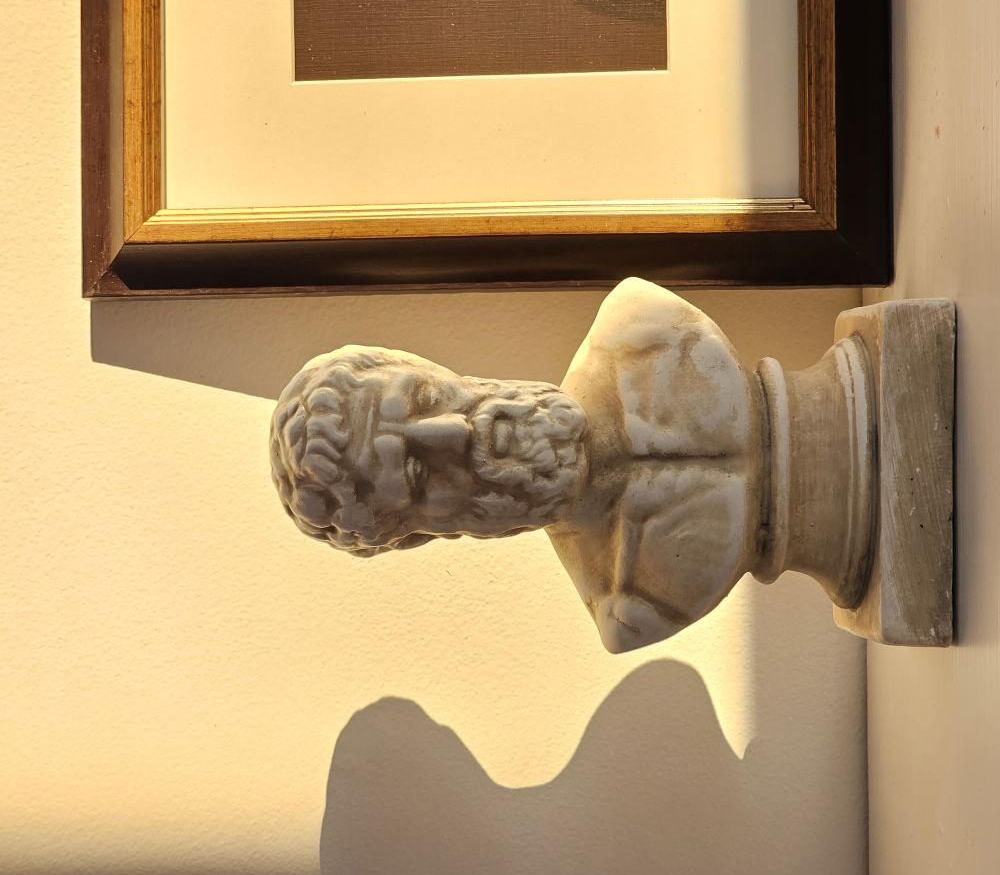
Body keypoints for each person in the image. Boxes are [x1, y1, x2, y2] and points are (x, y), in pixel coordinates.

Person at [270, 279, 759, 653]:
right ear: (424, 531)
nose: (454, 432)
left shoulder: (643, 328)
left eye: (424, 397)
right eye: (418, 472)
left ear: (424, 365)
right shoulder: (633, 605)